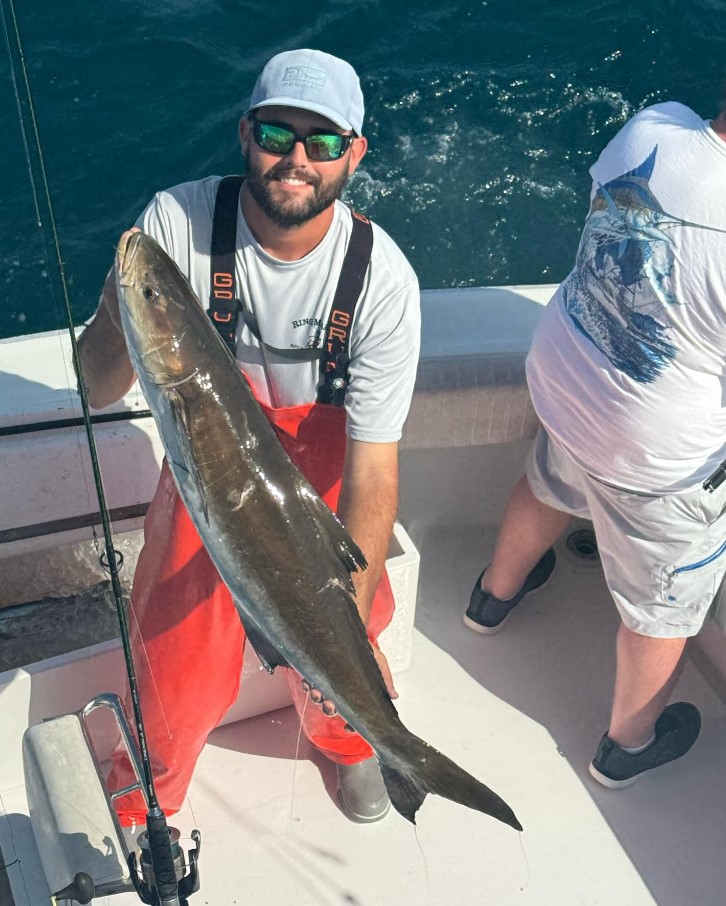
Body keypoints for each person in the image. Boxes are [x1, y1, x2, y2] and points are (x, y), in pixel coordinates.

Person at [78, 48, 420, 824]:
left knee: (351, 632)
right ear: (245, 134)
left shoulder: (383, 281)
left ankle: (356, 738)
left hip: (321, 492)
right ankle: (152, 784)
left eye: (323, 141)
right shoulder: (175, 226)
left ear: (354, 153)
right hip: (206, 479)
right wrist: (120, 307)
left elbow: (372, 476)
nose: (296, 159)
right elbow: (98, 388)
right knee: (175, 661)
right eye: (277, 133)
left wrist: (336, 621)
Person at [464, 92, 726, 789]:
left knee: (553, 478)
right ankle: (627, 746)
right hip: (654, 457)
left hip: (569, 377)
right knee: (660, 607)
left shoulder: (654, 127)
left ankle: (493, 597)